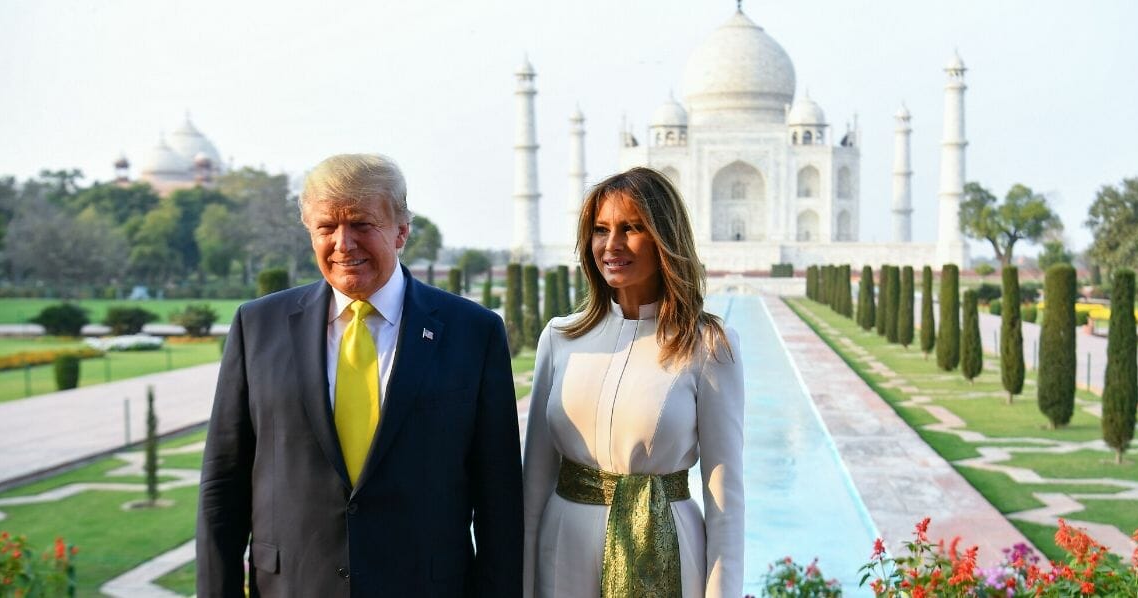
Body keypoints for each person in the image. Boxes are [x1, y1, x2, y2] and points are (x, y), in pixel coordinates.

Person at [196, 154, 523, 597]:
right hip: (294, 586)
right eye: (326, 227)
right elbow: (223, 484)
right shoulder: (257, 327)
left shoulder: (472, 332)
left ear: (402, 230)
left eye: (362, 224)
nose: (343, 243)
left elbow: (498, 496)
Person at [522, 167, 745, 597]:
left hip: (666, 550)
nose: (612, 244)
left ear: (665, 237)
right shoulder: (562, 338)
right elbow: (533, 487)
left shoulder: (706, 345)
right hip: (563, 549)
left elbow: (725, 501)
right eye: (601, 230)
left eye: (632, 228)